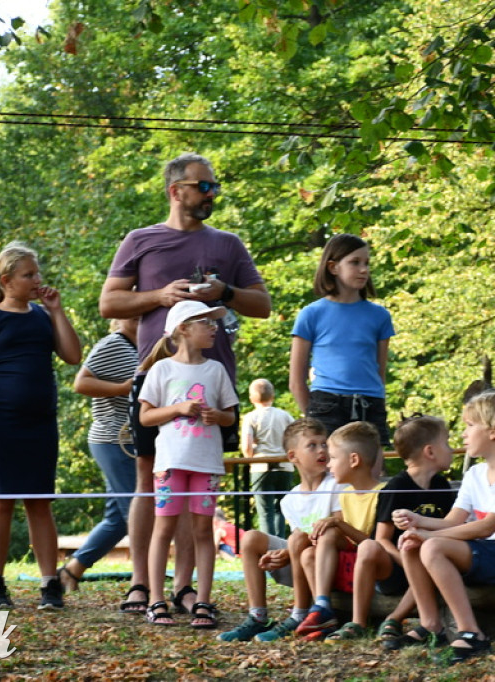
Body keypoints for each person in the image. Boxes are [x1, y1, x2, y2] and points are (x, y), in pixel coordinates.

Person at [99, 152, 270, 616]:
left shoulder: (229, 244)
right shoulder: (141, 240)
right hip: (156, 378)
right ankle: (141, 585)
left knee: (198, 488)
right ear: (176, 191)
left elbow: (263, 304)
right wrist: (160, 296)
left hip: (212, 385)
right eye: (205, 186)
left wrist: (225, 294)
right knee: (147, 482)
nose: (213, 193)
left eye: (214, 186)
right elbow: (108, 303)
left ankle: (187, 589)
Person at [0, 241, 81, 610]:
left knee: (40, 502)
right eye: (28, 274)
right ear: (6, 279)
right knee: (0, 500)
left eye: (37, 273)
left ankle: (50, 584)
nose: (37, 279)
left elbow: (73, 356)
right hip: (0, 422)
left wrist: (57, 311)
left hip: (40, 422)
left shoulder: (43, 316)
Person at [392, 391, 495, 664]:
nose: (463, 434)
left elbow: (485, 527)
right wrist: (417, 521)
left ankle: (471, 633)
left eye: (469, 425)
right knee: (411, 543)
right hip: (490, 551)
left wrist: (428, 534)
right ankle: (431, 624)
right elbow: (454, 522)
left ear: (493, 431)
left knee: (432, 546)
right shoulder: (475, 474)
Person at [137, 300, 239, 628]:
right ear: (183, 329)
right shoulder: (162, 369)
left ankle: (204, 603)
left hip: (206, 465)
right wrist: (179, 409)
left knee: (202, 532)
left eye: (214, 323)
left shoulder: (216, 369)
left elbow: (230, 418)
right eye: (206, 323)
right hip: (169, 463)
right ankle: (156, 600)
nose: (214, 328)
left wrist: (216, 415)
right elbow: (146, 416)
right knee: (163, 529)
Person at [325, 415, 457, 644]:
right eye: (447, 443)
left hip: (431, 562)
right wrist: (408, 563)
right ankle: (358, 622)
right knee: (368, 546)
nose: (453, 449)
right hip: (396, 565)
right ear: (430, 452)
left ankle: (395, 618)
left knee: (429, 560)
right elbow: (382, 539)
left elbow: (450, 528)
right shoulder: (396, 487)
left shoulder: (442, 486)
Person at [216, 418, 343, 642]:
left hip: (328, 562)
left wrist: (290, 551)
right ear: (293, 456)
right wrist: (284, 555)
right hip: (302, 560)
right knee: (251, 538)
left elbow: (338, 533)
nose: (321, 450)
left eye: (324, 444)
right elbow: (298, 541)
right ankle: (258, 616)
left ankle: (299, 613)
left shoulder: (338, 485)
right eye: (312, 445)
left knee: (297, 540)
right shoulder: (290, 500)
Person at [58, 317, 139, 592]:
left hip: (133, 441)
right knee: (138, 513)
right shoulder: (112, 344)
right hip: (111, 439)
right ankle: (145, 585)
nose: (140, 316)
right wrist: (122, 388)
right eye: (134, 311)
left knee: (118, 520)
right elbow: (81, 383)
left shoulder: (150, 346)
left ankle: (72, 570)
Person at [289, 233, 394, 445]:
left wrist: (376, 402)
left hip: (370, 405)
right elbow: (296, 380)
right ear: (333, 267)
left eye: (366, 263)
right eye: (355, 262)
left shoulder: (380, 315)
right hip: (326, 404)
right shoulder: (311, 314)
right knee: (331, 472)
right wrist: (313, 416)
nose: (364, 269)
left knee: (372, 472)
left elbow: (379, 372)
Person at [295, 421, 385, 641]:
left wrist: (339, 525)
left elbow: (374, 544)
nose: (328, 465)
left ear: (354, 460)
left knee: (332, 529)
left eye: (334, 458)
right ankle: (323, 611)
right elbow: (345, 540)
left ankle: (323, 607)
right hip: (350, 561)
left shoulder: (382, 493)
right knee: (308, 553)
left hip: (374, 565)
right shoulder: (345, 495)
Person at [240, 378, 295, 537]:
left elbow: (247, 447)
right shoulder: (285, 415)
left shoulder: (251, 417)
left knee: (265, 511)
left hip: (261, 465)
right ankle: (282, 544)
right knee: (281, 509)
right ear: (273, 396)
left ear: (251, 399)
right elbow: (296, 437)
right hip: (285, 466)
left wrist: (253, 452)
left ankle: (268, 548)